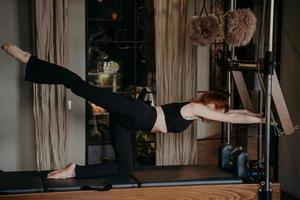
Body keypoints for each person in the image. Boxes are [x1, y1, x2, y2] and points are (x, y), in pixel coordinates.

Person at [1, 43, 264, 179]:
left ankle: (75, 171)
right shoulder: (195, 108)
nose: (218, 113)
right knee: (81, 86)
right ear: (212, 104)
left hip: (129, 121)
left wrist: (258, 116)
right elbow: (230, 116)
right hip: (140, 113)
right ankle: (28, 59)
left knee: (124, 167)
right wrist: (259, 119)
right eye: (218, 108)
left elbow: (233, 112)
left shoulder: (195, 111)